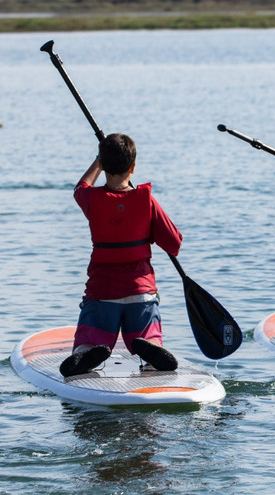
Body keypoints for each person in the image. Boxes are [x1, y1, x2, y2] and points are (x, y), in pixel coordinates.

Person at [61, 133, 183, 377]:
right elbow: (174, 243)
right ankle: (152, 350)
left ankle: (88, 349)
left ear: (103, 165)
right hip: (141, 294)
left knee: (89, 337)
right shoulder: (147, 201)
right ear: (133, 167)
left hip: (102, 294)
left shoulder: (92, 199)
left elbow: (80, 187)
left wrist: (98, 160)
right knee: (148, 333)